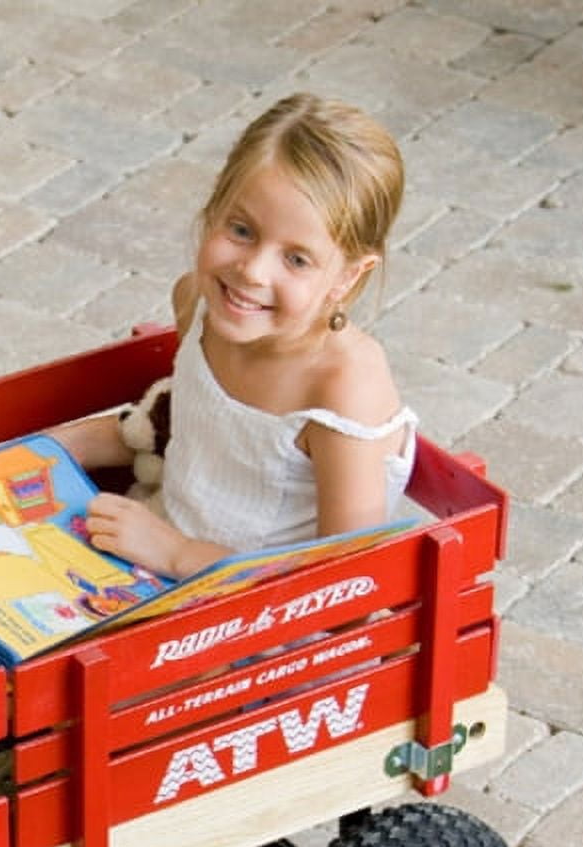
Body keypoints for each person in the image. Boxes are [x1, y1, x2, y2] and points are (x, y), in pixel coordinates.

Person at [51, 93, 416, 578]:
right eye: (241, 230)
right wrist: (60, 446)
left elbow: (347, 585)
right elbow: (196, 438)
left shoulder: (343, 390)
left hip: (253, 612)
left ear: (348, 276)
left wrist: (178, 553)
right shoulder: (197, 302)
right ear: (215, 207)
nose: (252, 271)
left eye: (297, 259)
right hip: (149, 553)